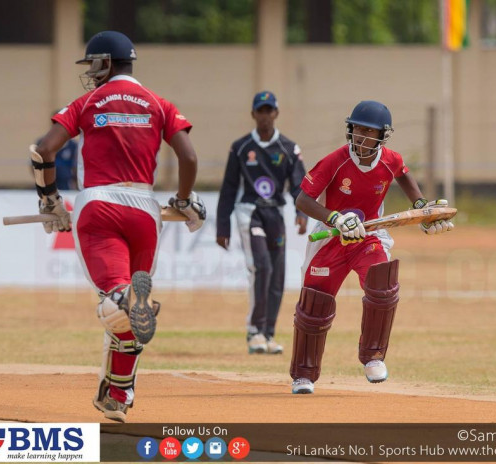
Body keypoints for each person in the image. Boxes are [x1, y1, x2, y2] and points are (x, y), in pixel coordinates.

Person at [30, 31, 205, 422]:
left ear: (106, 63)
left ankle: (124, 298)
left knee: (115, 302)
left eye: (93, 65)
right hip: (145, 209)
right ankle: (118, 396)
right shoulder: (160, 104)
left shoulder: (89, 100)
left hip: (100, 204)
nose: (90, 74)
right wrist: (183, 199)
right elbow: (189, 156)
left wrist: (50, 200)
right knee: (124, 312)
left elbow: (43, 149)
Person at [288, 100, 454, 394]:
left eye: (370, 131)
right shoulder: (335, 160)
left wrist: (421, 210)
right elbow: (302, 200)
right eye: (357, 129)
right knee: (314, 305)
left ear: (382, 135)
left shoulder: (391, 160)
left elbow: (403, 175)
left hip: (370, 235)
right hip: (330, 236)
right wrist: (335, 218)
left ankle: (373, 356)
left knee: (383, 284)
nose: (362, 136)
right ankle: (303, 374)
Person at [216, 91, 308, 355]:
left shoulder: (289, 148)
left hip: (275, 214)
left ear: (276, 113)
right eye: (261, 110)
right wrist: (223, 227)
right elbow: (229, 189)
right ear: (253, 114)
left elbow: (299, 185)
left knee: (278, 274)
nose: (265, 116)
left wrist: (302, 214)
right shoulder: (242, 147)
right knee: (262, 267)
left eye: (270, 110)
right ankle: (254, 331)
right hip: (250, 212)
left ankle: (268, 334)